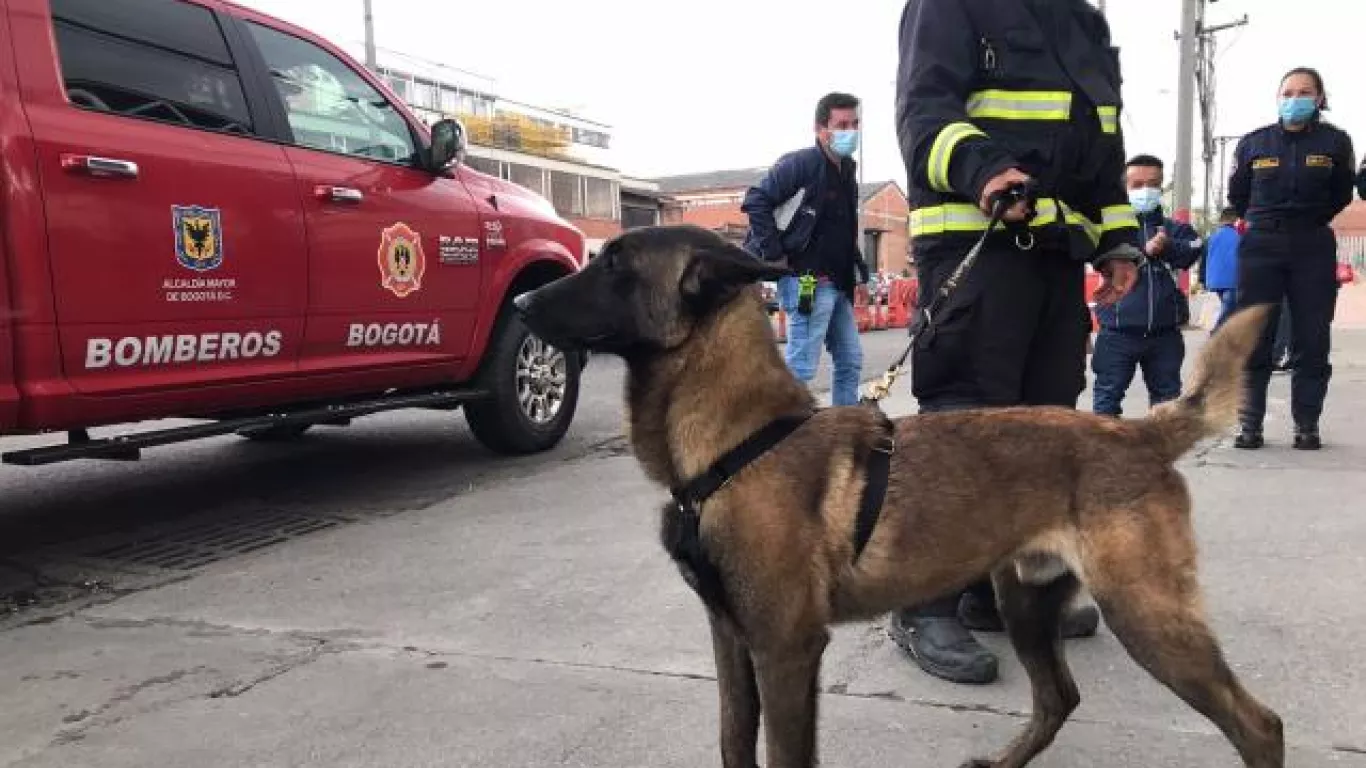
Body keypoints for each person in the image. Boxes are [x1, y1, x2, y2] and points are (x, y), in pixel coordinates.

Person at [889, 0, 1142, 685]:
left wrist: (1117, 238)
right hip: (977, 238)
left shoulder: (1083, 23)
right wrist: (984, 168)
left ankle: (996, 592)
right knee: (963, 430)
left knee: (1045, 427)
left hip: (1056, 252)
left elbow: (1102, 149)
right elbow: (924, 112)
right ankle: (921, 600)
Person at [1227, 66, 1356, 451]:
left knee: (1312, 337)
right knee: (1255, 335)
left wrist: (1309, 220)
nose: (1294, 99)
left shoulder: (1336, 143)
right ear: (1278, 97)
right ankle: (1249, 424)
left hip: (1311, 243)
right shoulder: (1254, 143)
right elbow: (1238, 195)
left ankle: (1306, 423)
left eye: (1303, 92)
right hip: (1262, 243)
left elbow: (1340, 194)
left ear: (1319, 99)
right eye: (1287, 92)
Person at [741, 92, 869, 406]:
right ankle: (787, 432)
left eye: (855, 124)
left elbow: (844, 230)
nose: (849, 132)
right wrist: (774, 255)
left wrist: (859, 275)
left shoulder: (847, 171)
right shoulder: (801, 165)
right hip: (808, 281)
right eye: (841, 125)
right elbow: (756, 199)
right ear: (820, 128)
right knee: (802, 364)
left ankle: (846, 428)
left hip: (838, 283)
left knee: (851, 361)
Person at [1091, 155, 1203, 418]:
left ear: (1162, 187)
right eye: (1137, 184)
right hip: (1116, 334)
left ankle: (1161, 459)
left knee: (1167, 408)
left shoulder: (1174, 229)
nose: (1145, 191)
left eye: (1152, 184)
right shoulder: (1108, 230)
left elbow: (1194, 249)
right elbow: (1094, 255)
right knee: (1106, 404)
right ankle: (1104, 459)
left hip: (1164, 336)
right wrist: (1144, 251)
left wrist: (1167, 247)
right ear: (1125, 188)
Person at [1203, 207, 1242, 329]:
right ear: (1234, 219)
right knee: (1228, 312)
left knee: (1230, 312)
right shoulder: (1238, 237)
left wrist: (1203, 279)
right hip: (1231, 281)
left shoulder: (1212, 237)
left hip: (1215, 280)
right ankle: (1216, 336)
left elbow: (1204, 259)